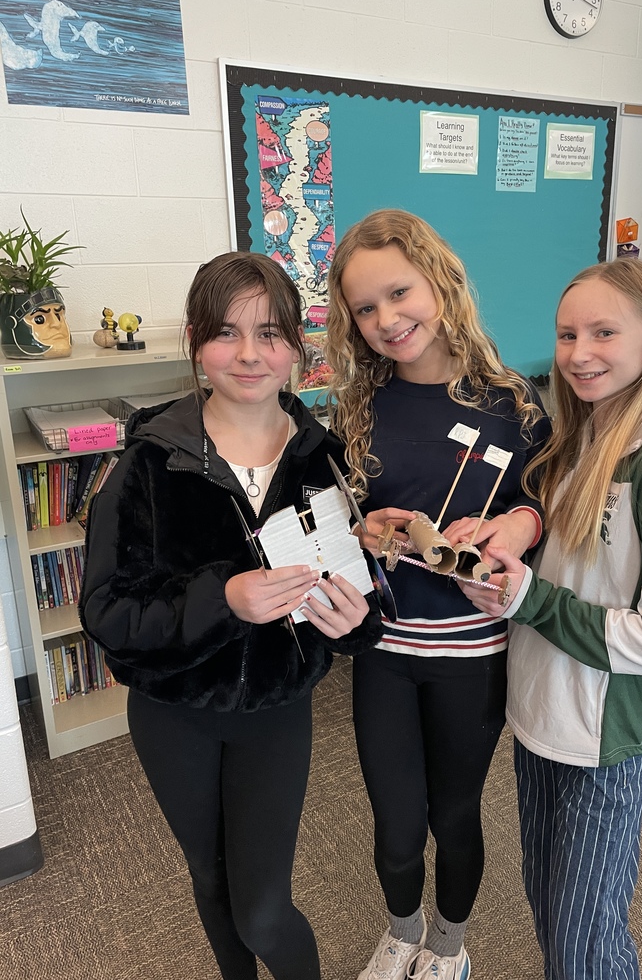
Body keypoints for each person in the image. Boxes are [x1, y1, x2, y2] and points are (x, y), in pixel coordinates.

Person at [79, 251, 383, 980]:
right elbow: (107, 612)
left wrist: (356, 626)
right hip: (174, 711)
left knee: (264, 910)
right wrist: (225, 598)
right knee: (211, 883)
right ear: (195, 341)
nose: (249, 354)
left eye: (271, 333)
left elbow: (361, 599)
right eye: (226, 332)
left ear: (298, 349)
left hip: (275, 714)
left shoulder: (326, 460)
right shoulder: (150, 463)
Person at [460, 258, 642, 980]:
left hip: (607, 741)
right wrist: (503, 553)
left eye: (604, 332)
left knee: (584, 943)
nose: (579, 353)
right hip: (541, 716)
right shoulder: (571, 440)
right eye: (567, 334)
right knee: (552, 910)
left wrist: (534, 602)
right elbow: (565, 563)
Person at [325, 209, 551, 980]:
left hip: (472, 656)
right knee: (395, 826)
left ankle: (449, 949)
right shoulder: (362, 406)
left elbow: (548, 506)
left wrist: (520, 522)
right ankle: (402, 933)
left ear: (440, 282)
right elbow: (341, 520)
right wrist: (364, 534)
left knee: (454, 816)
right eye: (365, 308)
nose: (387, 319)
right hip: (385, 652)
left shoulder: (513, 405)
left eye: (399, 292)